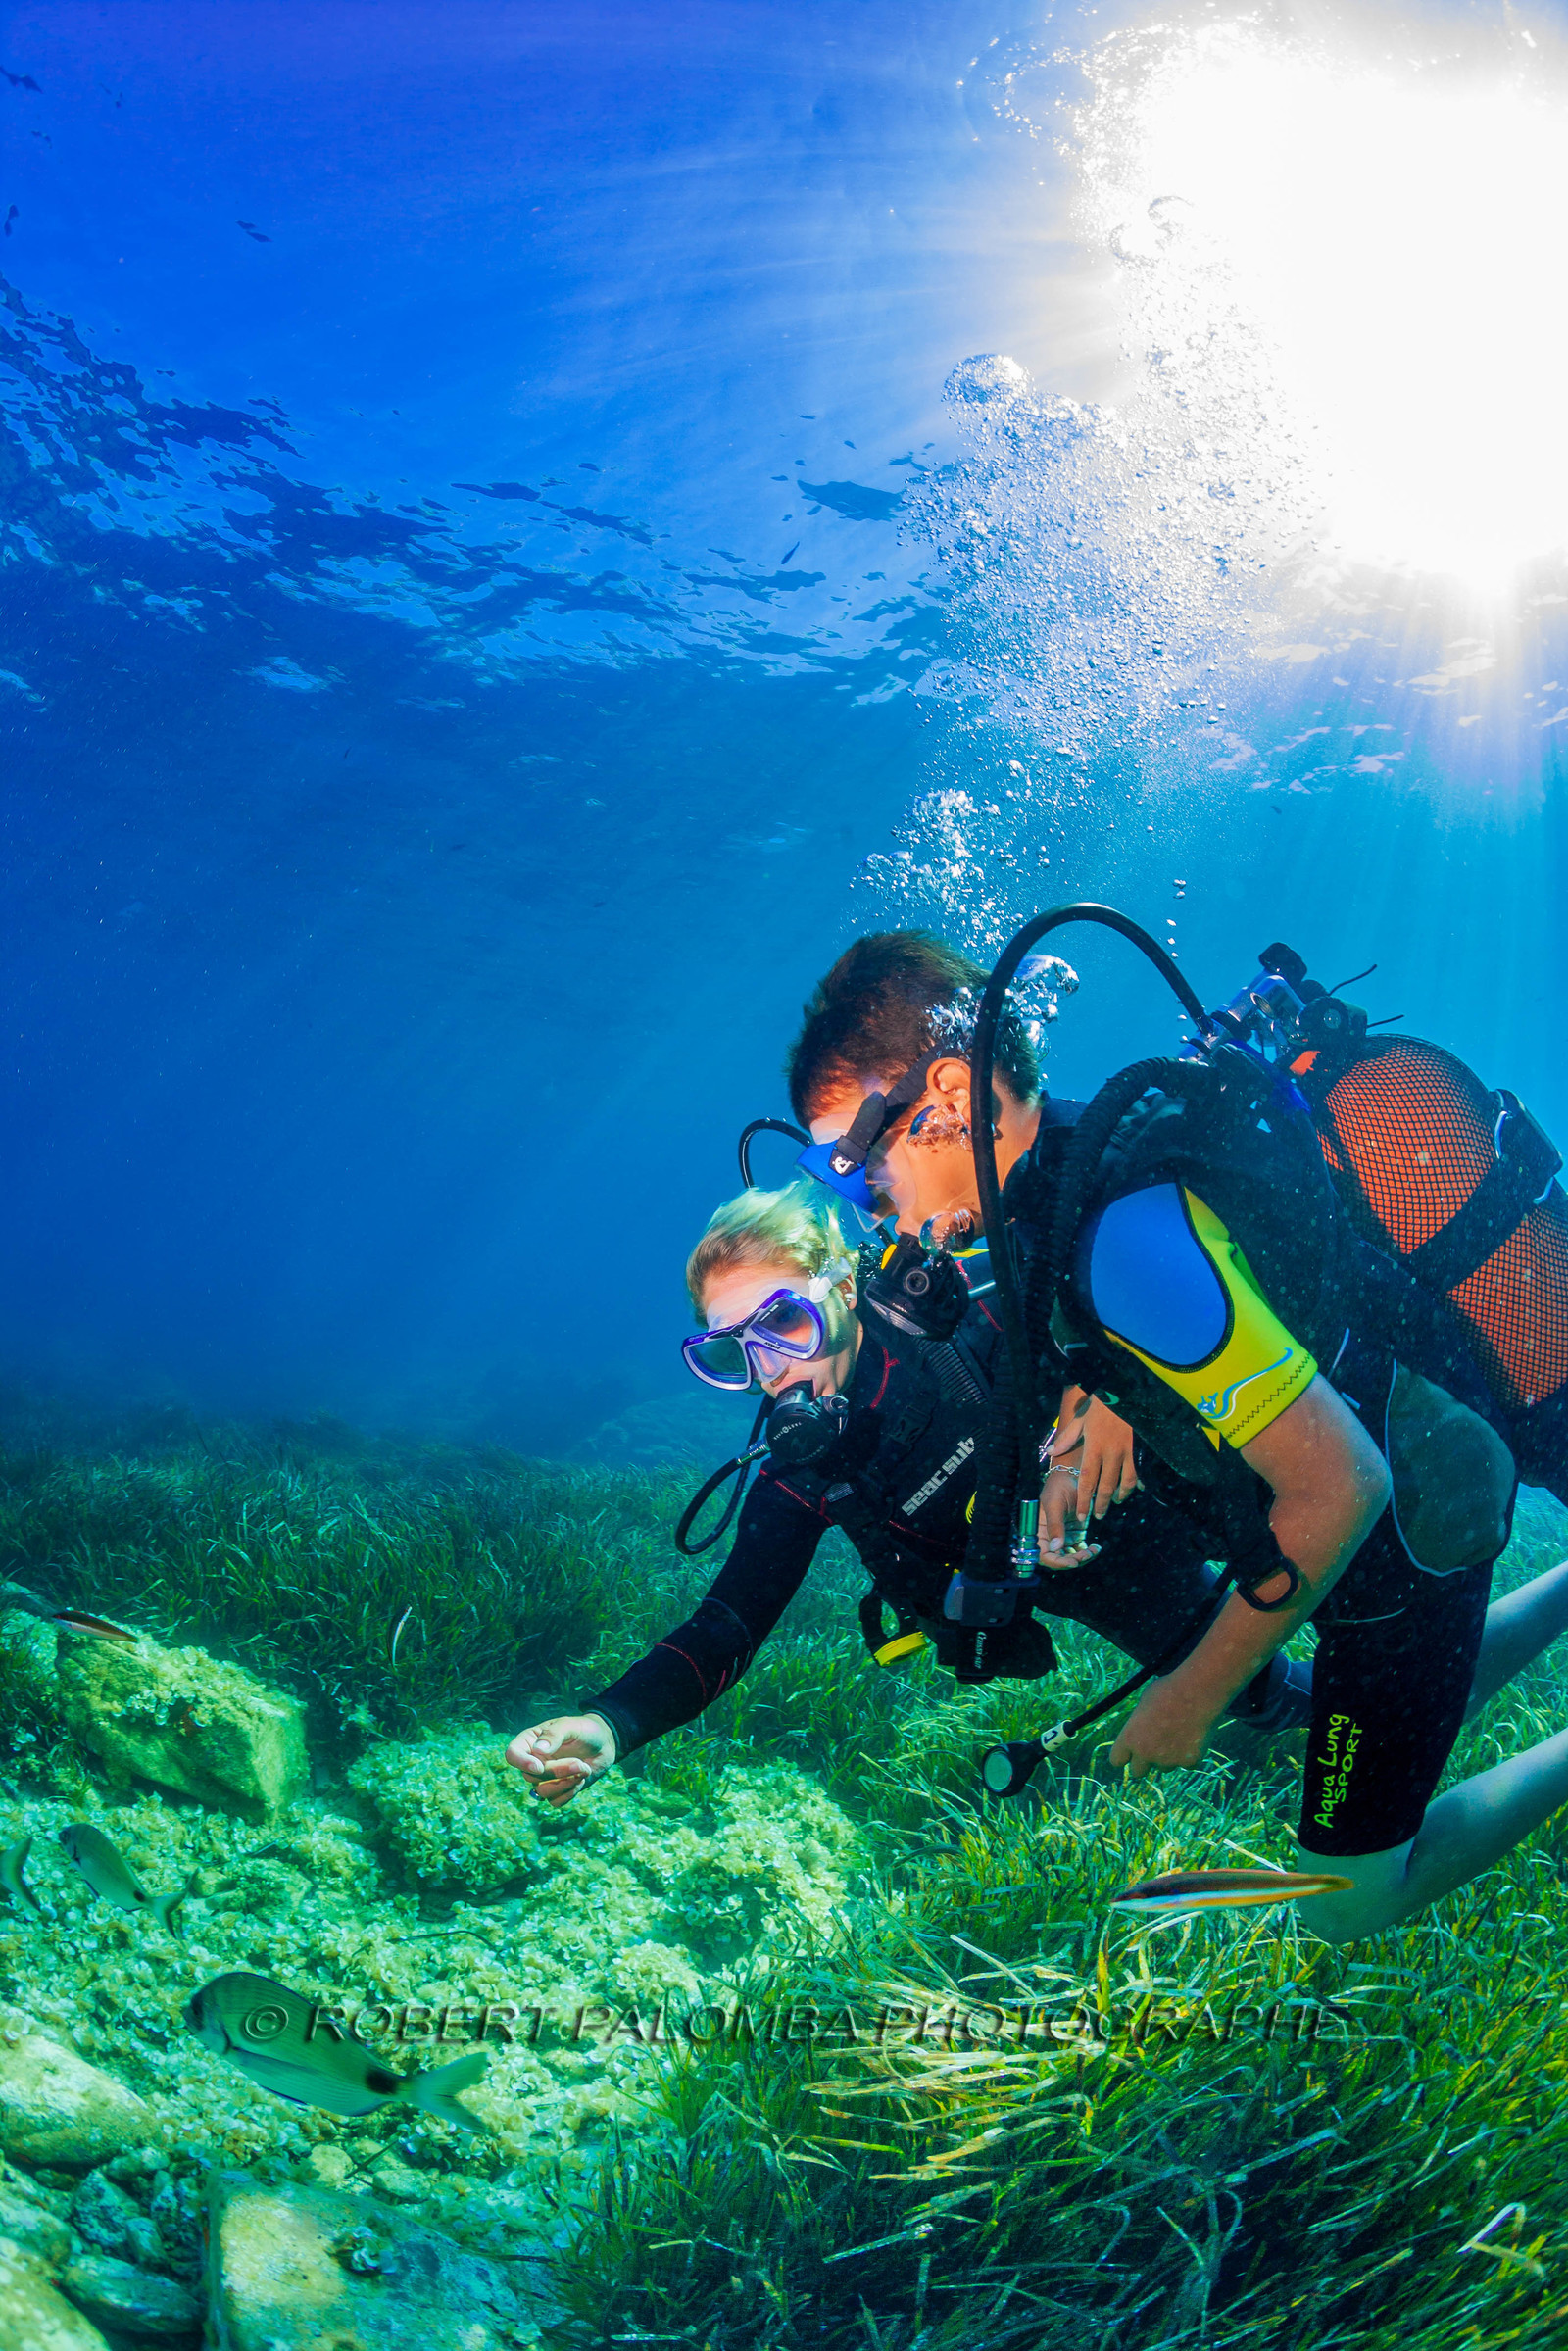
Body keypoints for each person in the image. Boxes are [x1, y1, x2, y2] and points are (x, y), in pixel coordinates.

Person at [783, 928, 1568, 1945]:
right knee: (1400, 1708)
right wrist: (1091, 1401)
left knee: (1346, 1901)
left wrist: (1186, 1700)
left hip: (1408, 1522)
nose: (860, 1203)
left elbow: (1342, 1489)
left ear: (946, 1101)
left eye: (853, 1162)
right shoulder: (1064, 1181)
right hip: (1430, 1460)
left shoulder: (1110, 1238)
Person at [505, 1181, 1311, 1807]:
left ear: (845, 1290)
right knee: (1262, 1695)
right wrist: (611, 1722)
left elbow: (1120, 1256)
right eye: (734, 1353)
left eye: (783, 1320)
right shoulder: (801, 1470)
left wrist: (1110, 1390)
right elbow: (728, 1624)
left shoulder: (959, 1305)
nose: (773, 1367)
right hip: (1104, 1575)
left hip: (1191, 1469)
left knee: (1339, 1560)